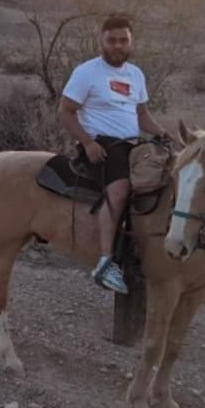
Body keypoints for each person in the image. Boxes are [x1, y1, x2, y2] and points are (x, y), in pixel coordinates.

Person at [58, 15, 170, 294]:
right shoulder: (87, 72)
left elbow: (141, 114)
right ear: (102, 41)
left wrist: (162, 134)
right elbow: (66, 112)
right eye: (112, 40)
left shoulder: (136, 74)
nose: (117, 45)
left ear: (131, 41)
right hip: (102, 145)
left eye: (123, 40)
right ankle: (106, 262)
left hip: (133, 146)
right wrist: (87, 143)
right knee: (119, 190)